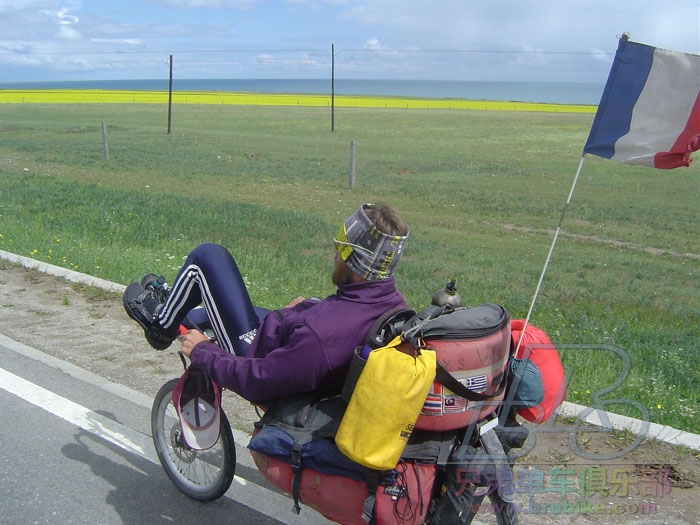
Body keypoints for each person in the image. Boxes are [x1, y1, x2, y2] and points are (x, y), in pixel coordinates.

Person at [123, 202, 410, 403]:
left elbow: (259, 381)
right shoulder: (394, 305)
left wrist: (204, 352)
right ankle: (177, 303)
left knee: (207, 258)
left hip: (258, 357)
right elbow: (344, 322)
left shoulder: (318, 337)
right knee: (210, 312)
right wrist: (309, 307)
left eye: (341, 244)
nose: (335, 251)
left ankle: (160, 326)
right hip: (290, 340)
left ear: (354, 258)